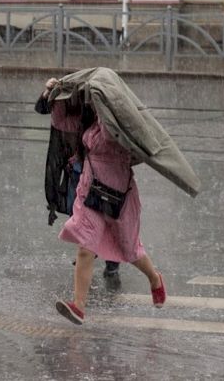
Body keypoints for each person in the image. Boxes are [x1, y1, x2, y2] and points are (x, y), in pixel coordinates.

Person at [54, 95, 166, 325]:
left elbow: (114, 137)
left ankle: (155, 279)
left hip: (118, 195)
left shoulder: (120, 123)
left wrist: (106, 109)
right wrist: (57, 96)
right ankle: (79, 307)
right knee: (85, 247)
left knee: (129, 249)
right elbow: (61, 121)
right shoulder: (89, 118)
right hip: (90, 191)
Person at [36, 78, 121, 290]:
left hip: (100, 175)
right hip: (78, 173)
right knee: (82, 215)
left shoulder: (95, 120)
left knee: (102, 216)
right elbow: (45, 110)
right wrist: (49, 92)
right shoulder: (71, 120)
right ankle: (91, 251)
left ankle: (107, 258)